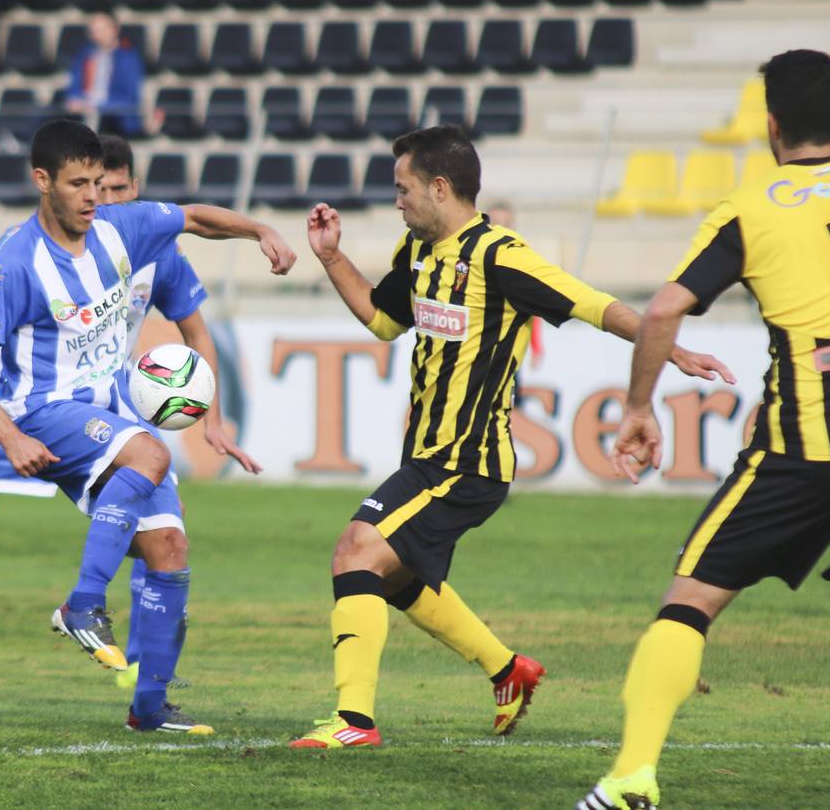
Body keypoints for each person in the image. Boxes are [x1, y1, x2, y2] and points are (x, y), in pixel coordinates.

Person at [578, 0, 830, 810]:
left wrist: (640, 408)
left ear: (769, 124)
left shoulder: (751, 207)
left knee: (688, 601)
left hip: (802, 449)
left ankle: (631, 779)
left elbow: (663, 310)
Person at [291, 125, 731, 749]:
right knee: (389, 574)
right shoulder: (416, 251)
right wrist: (332, 256)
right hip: (429, 456)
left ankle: (354, 722)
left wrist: (669, 346)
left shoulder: (500, 256)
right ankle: (509, 671)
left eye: (403, 188)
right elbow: (384, 320)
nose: (397, 200)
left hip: (468, 461)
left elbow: (591, 303)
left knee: (355, 550)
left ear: (439, 188)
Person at [0, 122, 293, 734]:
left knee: (169, 544)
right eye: (78, 184)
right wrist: (10, 435)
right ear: (43, 181)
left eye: (98, 183)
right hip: (38, 409)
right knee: (146, 457)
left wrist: (261, 230)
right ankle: (79, 605)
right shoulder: (18, 260)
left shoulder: (121, 229)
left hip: (106, 409)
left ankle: (149, 709)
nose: (93, 197)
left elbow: (194, 217)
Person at [64, 13, 154, 138]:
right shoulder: (85, 55)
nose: (98, 35)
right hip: (85, 114)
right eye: (94, 31)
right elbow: (74, 88)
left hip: (115, 119)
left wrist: (96, 106)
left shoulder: (128, 57)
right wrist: (76, 101)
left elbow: (129, 99)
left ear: (115, 29)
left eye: (102, 30)